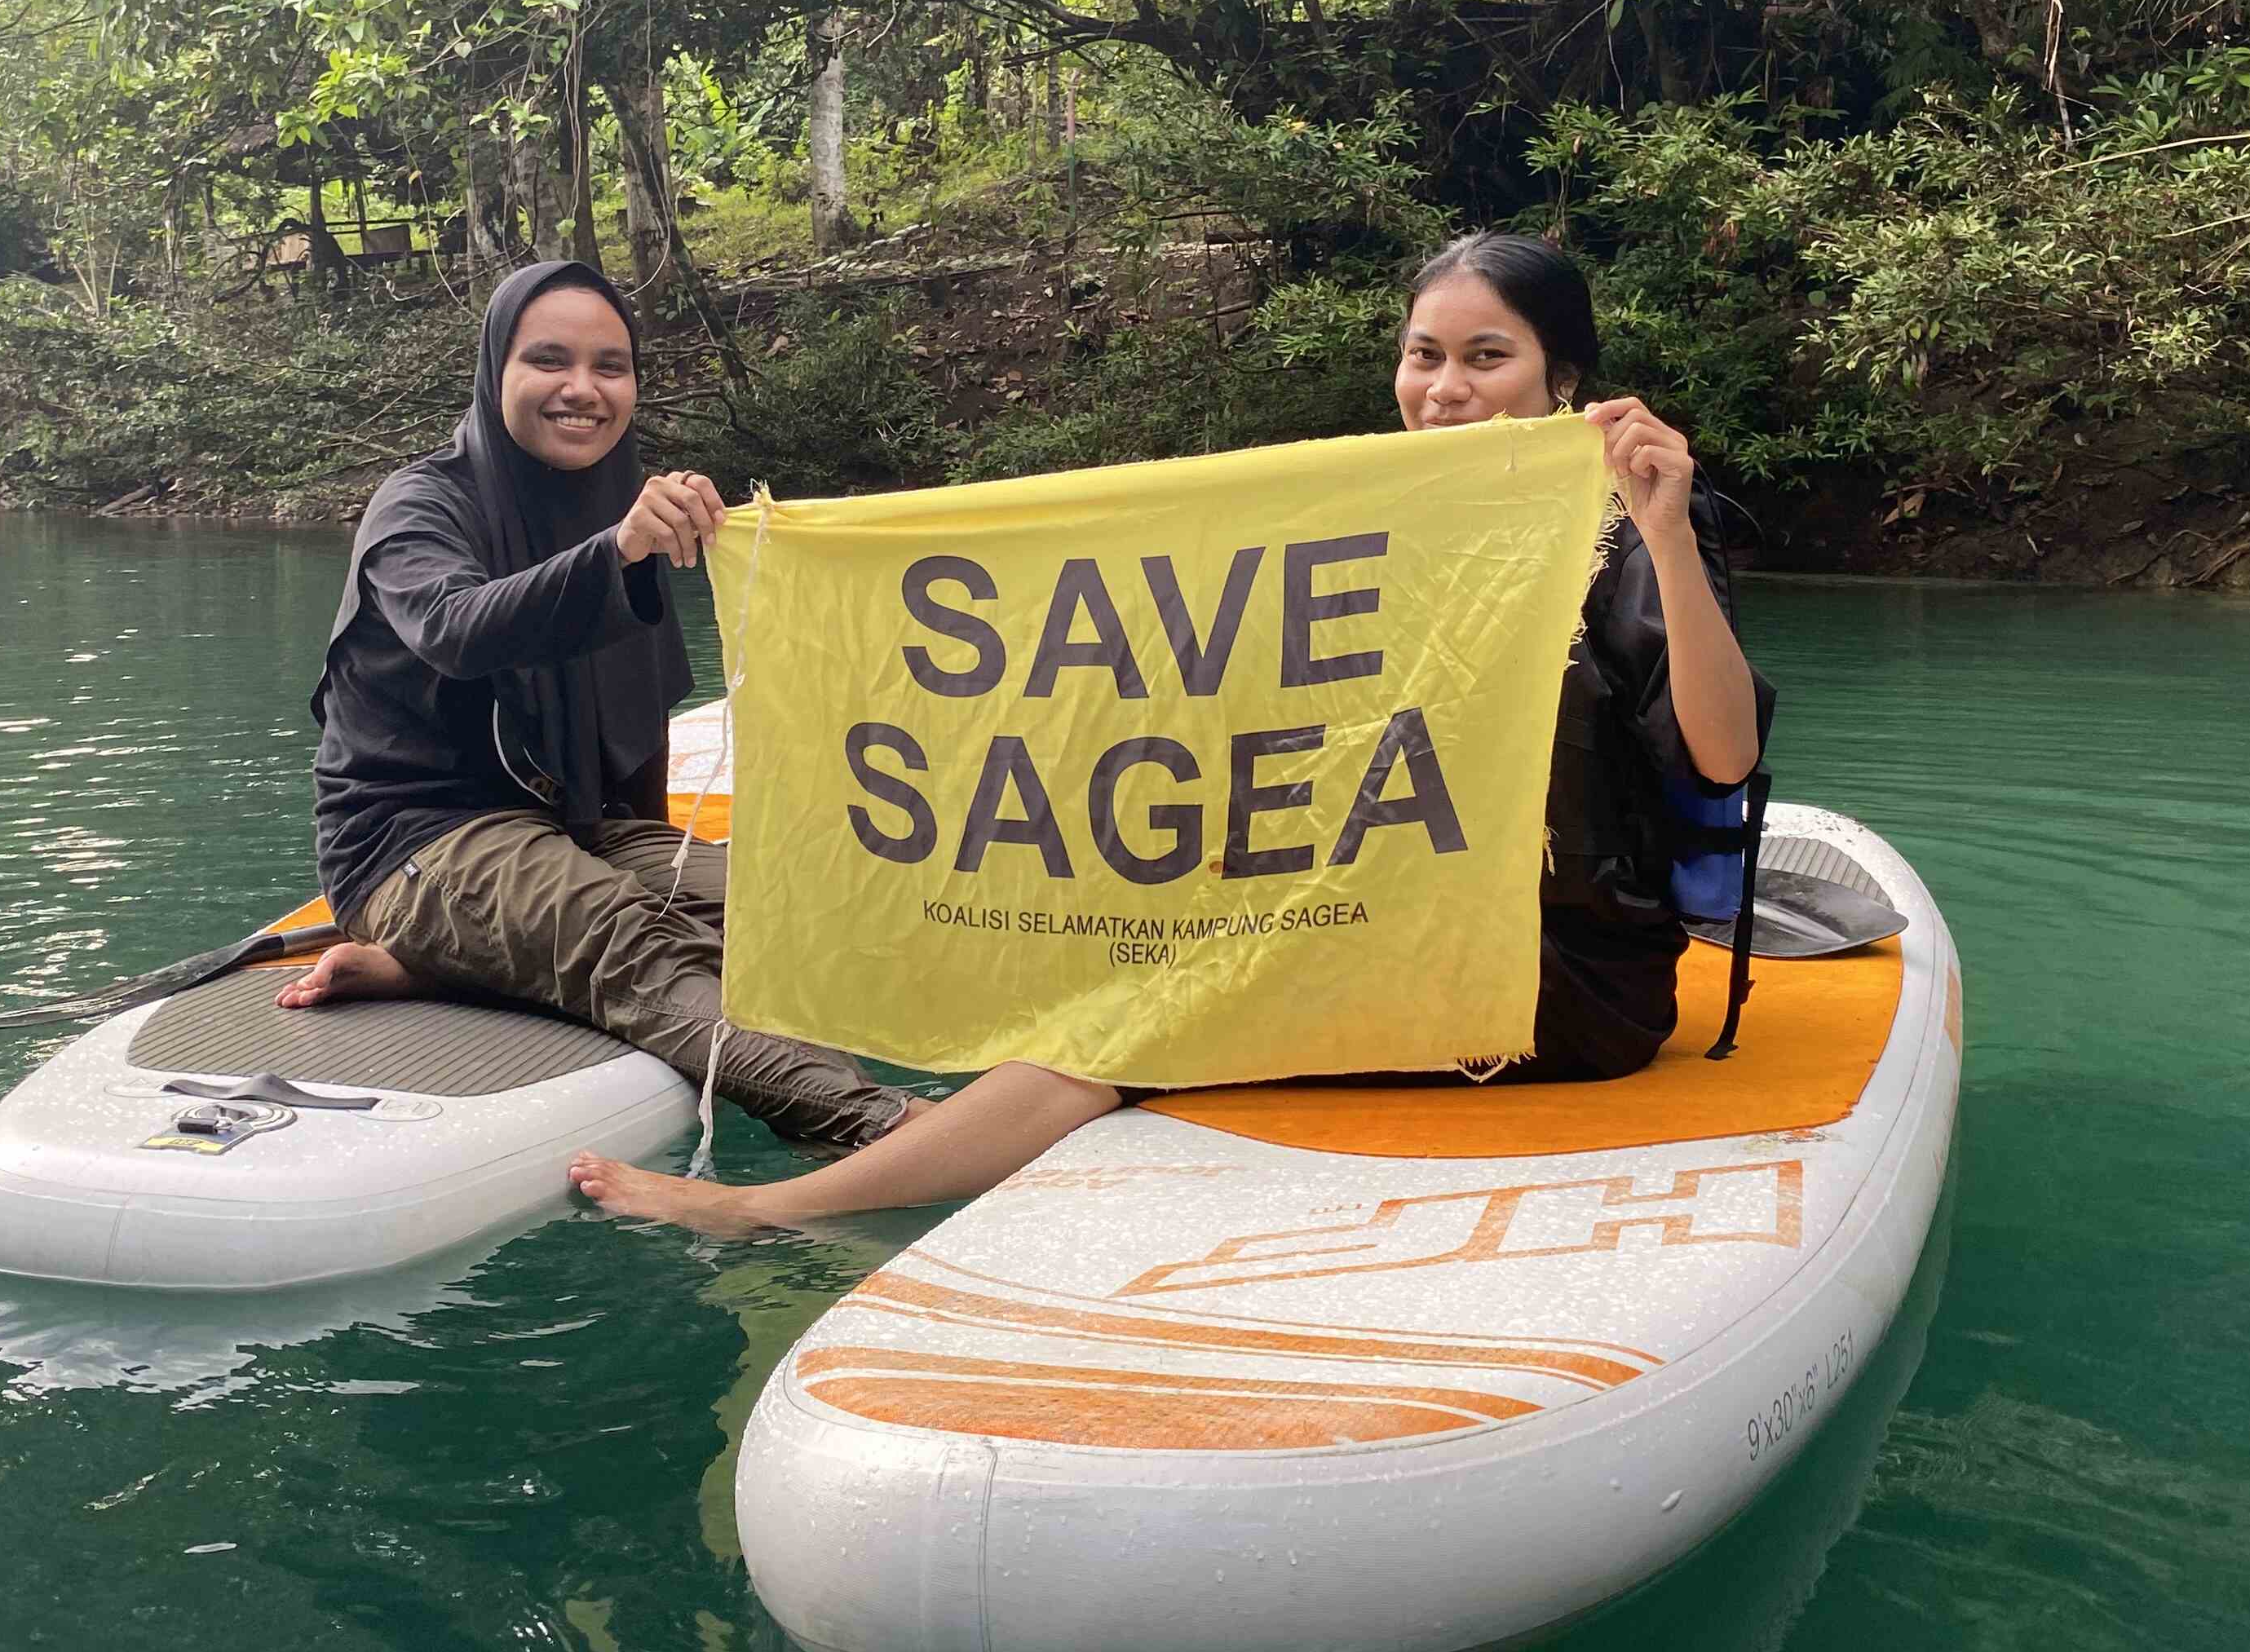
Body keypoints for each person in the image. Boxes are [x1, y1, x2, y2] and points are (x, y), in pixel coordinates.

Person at [571, 231, 1769, 1235]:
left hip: (1552, 975)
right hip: (1388, 916)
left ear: (1563, 379)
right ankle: (945, 1131)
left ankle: (775, 1212)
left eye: (1486, 358)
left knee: (1141, 1011)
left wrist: (1666, 535)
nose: (1445, 388)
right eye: (1424, 355)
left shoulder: (1630, 519)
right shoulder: (1363, 521)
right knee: (1126, 940)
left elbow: (1724, 757)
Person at [288, 258, 915, 1155]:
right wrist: (615, 551)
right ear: (497, 367)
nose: (582, 389)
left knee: (793, 913)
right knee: (629, 937)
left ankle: (438, 965)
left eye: (609, 366)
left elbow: (635, 725)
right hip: (416, 842)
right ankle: (885, 1131)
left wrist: (648, 863)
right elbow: (451, 626)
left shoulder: (627, 503)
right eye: (550, 360)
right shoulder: (420, 504)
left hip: (577, 826)